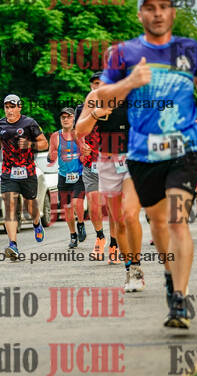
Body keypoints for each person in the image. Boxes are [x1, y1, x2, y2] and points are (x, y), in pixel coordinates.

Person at [82, 0, 197, 327]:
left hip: (185, 148)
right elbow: (101, 97)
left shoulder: (190, 48)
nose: (157, 13)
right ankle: (170, 276)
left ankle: (179, 300)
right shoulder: (123, 54)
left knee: (176, 220)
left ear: (172, 12)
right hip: (142, 154)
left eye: (164, 7)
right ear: (140, 14)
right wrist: (130, 82)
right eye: (150, 7)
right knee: (157, 224)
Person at [76, 97, 145, 292]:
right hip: (108, 163)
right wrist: (95, 113)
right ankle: (129, 268)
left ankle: (137, 268)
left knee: (130, 214)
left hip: (134, 160)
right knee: (119, 221)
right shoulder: (96, 98)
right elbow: (80, 131)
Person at [0, 94, 49, 260]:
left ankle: (36, 223)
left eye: (12, 107)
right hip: (8, 172)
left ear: (19, 107)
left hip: (27, 171)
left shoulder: (29, 123)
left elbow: (44, 143)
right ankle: (13, 245)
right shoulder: (1, 123)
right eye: (7, 107)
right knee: (10, 206)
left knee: (31, 204)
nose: (9, 110)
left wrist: (30, 144)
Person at [74, 72, 108, 259]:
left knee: (114, 207)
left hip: (113, 163)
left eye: (101, 83)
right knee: (94, 205)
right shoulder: (82, 108)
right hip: (91, 163)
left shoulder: (116, 106)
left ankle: (115, 243)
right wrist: (82, 146)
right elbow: (77, 133)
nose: (98, 87)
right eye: (95, 83)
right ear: (91, 87)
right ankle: (100, 237)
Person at [48, 108, 87, 248]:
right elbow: (51, 155)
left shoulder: (80, 134)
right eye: (63, 117)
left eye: (68, 117)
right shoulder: (55, 136)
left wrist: (84, 156)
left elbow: (85, 154)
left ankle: (81, 224)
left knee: (76, 203)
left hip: (79, 175)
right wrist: (51, 156)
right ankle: (73, 235)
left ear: (74, 119)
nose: (65, 119)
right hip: (63, 177)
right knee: (67, 209)